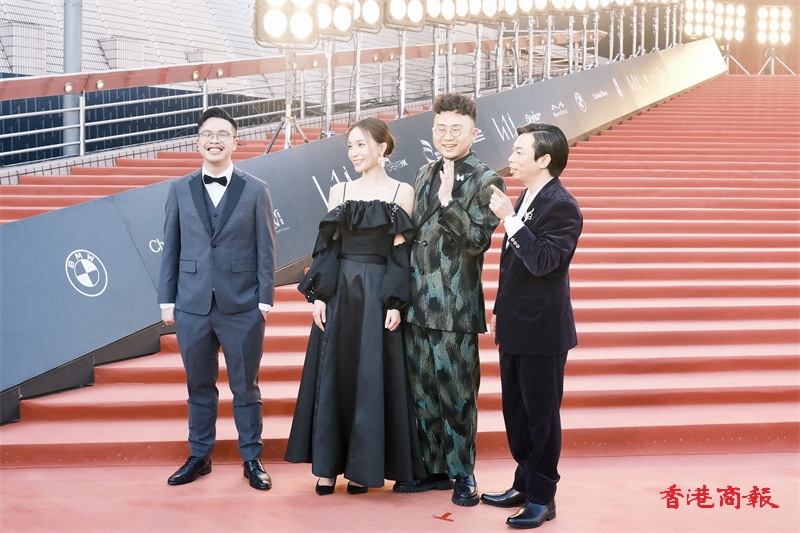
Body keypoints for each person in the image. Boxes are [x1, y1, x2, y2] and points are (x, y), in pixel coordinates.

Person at [284, 117, 425, 494]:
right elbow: (327, 249)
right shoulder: (340, 190)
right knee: (337, 374)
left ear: (382, 147)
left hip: (378, 292)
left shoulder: (402, 192)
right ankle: (328, 467)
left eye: (361, 144)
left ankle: (363, 468)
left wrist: (395, 302)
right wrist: (320, 295)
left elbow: (400, 252)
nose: (354, 153)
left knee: (371, 377)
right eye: (350, 146)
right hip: (342, 291)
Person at [394, 93, 505, 506]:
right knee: (422, 391)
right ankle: (434, 468)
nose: (447, 136)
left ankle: (463, 474)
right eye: (440, 128)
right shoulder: (423, 173)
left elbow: (476, 242)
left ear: (474, 133)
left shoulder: (486, 180)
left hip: (456, 307)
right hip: (416, 304)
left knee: (457, 394)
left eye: (456, 129)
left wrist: (448, 202)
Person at [157, 107, 276, 491]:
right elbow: (171, 247)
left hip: (242, 305)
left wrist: (264, 300)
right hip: (192, 305)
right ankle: (200, 455)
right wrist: (167, 299)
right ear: (198, 141)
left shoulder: (255, 189)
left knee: (246, 387)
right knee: (198, 386)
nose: (214, 140)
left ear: (235, 141)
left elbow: (266, 247)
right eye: (208, 134)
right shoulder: (179, 189)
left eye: (223, 134)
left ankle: (252, 458)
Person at [481, 122, 582, 529]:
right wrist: (499, 308)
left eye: (520, 151)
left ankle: (543, 497)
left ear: (544, 160)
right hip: (515, 322)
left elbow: (542, 262)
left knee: (541, 417)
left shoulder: (563, 206)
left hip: (543, 330)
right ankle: (524, 483)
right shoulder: (527, 195)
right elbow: (514, 266)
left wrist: (509, 219)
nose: (511, 157)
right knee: (517, 412)